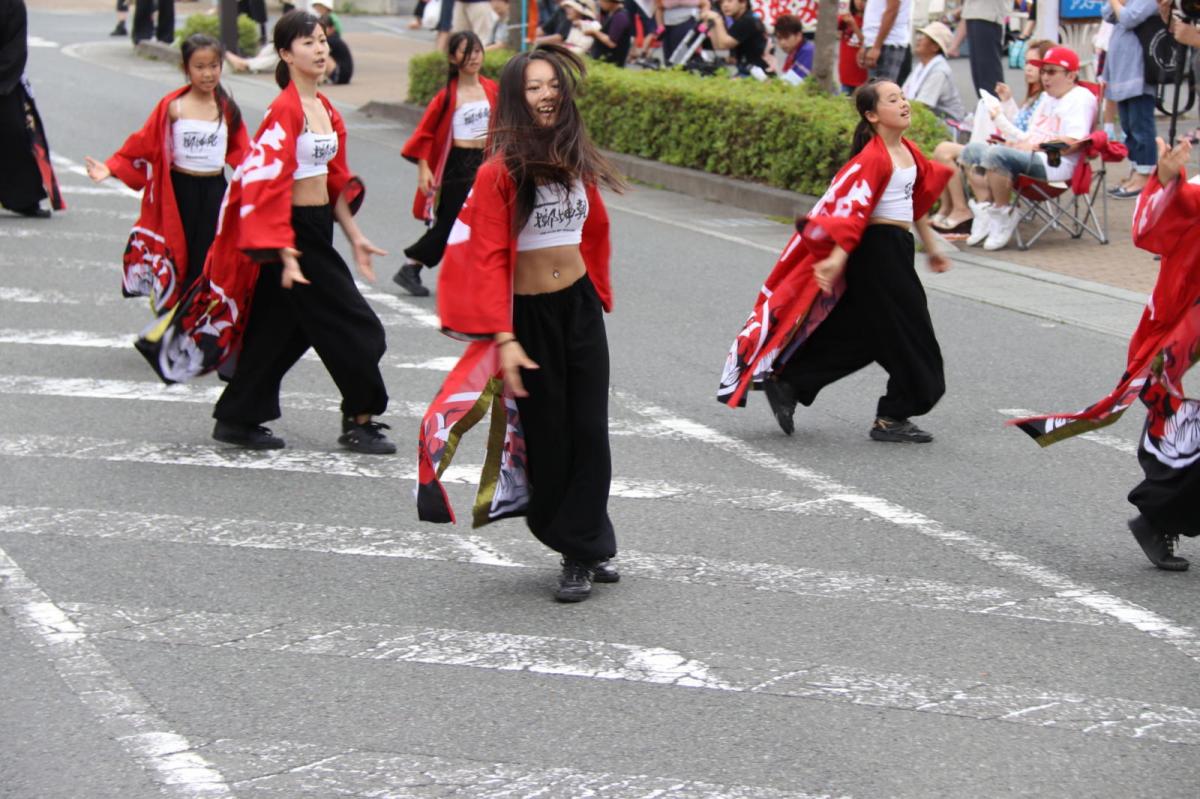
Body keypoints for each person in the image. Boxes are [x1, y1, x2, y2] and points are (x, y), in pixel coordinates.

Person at [416, 45, 626, 603]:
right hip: (528, 319)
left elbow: (594, 231)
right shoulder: (497, 172)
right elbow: (486, 256)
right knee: (551, 436)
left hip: (578, 309)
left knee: (590, 430)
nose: (547, 94)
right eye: (533, 87)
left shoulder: (576, 159)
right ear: (514, 99)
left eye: (553, 84)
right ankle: (571, 540)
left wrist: (597, 292)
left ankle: (584, 548)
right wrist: (503, 336)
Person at [135, 10, 395, 455]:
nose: (320, 49)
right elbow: (262, 182)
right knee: (361, 329)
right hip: (293, 236)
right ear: (285, 54)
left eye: (322, 40)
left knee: (279, 331)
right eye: (308, 42)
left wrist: (353, 235)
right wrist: (283, 248)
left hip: (314, 230)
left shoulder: (325, 107)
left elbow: (332, 179)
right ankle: (360, 418)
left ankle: (237, 416)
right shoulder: (285, 110)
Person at [719, 80, 954, 444]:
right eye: (893, 100)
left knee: (864, 332)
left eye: (903, 97)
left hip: (895, 248)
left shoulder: (907, 150)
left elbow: (916, 203)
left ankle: (791, 382)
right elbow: (852, 215)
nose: (904, 104)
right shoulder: (873, 159)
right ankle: (893, 415)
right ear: (872, 115)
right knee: (913, 335)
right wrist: (836, 258)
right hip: (876, 252)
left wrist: (932, 248)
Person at [1010, 138, 1200, 571]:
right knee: (1182, 427)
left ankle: (1162, 511)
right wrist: (1167, 178)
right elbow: (1150, 232)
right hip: (1188, 318)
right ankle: (1160, 512)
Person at [85, 34, 249, 315]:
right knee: (178, 256)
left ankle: (196, 323)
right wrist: (112, 167)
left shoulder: (227, 109)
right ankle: (171, 316)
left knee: (209, 258)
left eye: (214, 65)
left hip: (214, 192)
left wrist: (268, 184)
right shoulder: (173, 107)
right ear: (185, 68)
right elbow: (144, 142)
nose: (208, 73)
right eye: (200, 66)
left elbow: (245, 154)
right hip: (179, 192)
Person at [959, 45, 1097, 251]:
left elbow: (1072, 143)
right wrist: (1014, 142)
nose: (1045, 77)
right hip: (1030, 155)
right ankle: (987, 211)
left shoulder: (1081, 98)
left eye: (1051, 71)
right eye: (1043, 71)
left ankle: (1003, 212)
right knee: (971, 151)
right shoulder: (1046, 98)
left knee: (997, 155)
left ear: (1071, 75)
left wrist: (1034, 146)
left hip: (1054, 165)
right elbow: (1030, 134)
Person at [395, 31, 498, 297]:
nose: (473, 57)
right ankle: (411, 265)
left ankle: (474, 277)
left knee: (487, 220)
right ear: (453, 57)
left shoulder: (491, 88)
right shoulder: (447, 96)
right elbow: (425, 134)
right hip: (457, 165)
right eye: (466, 51)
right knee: (452, 222)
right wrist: (423, 168)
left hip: (486, 162)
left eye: (477, 50)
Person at [930, 39, 1053, 234]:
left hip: (1014, 155)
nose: (1028, 68)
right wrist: (1007, 101)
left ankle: (962, 209)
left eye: (1035, 64)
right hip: (1007, 147)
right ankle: (950, 208)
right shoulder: (1033, 98)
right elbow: (1019, 127)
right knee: (941, 151)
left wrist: (1001, 117)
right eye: (1026, 62)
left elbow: (1026, 134)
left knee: (945, 152)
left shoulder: (1046, 100)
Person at [0, 0, 65, 219]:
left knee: (17, 132)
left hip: (4, 81)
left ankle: (23, 198)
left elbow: (15, 48)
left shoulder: (12, 5)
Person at [1102, 0, 1160, 199]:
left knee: (1141, 125)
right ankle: (1136, 170)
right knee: (1128, 125)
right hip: (1122, 70)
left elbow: (1129, 18)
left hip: (1140, 71)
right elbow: (1107, 14)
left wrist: (1116, 2)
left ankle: (1145, 175)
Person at [901, 21, 965, 121]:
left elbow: (921, 105)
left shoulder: (939, 71)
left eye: (924, 37)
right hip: (926, 116)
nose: (919, 39)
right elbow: (903, 95)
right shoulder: (921, 67)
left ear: (935, 47)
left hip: (946, 122)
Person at [700, 0, 770, 76]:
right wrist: (711, 23)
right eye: (721, 2)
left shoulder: (747, 21)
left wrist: (717, 19)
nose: (725, 5)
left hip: (759, 73)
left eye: (729, 1)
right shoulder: (742, 19)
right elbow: (718, 47)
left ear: (743, 3)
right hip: (748, 70)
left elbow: (724, 44)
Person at [959, 0, 1008, 96]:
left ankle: (995, 108)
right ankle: (986, 107)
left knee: (989, 78)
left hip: (987, 16)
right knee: (979, 77)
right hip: (974, 14)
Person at [859, 0, 912, 82]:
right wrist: (865, 44)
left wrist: (877, 47)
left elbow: (892, 10)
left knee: (882, 90)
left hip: (888, 43)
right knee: (873, 89)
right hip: (877, 43)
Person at [586, 0, 634, 65]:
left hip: (610, 63)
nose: (600, 3)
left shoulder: (621, 16)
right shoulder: (611, 13)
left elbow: (611, 42)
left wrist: (595, 33)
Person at [771, 14, 814, 83]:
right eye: (779, 38)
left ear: (798, 35)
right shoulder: (794, 52)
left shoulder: (809, 51)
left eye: (786, 37)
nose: (782, 42)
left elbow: (791, 83)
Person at [839, 0, 869, 93]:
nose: (860, 2)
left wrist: (854, 26)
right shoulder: (847, 18)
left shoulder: (870, 22)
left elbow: (867, 42)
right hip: (846, 72)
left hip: (863, 74)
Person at [320, 13, 353, 84]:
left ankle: (319, 79)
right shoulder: (335, 38)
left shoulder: (331, 40)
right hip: (344, 75)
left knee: (320, 54)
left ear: (332, 28)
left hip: (340, 75)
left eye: (324, 28)